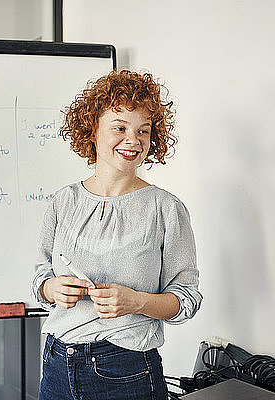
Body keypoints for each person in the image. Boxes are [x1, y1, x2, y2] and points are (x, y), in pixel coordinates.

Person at [31, 70, 202, 400]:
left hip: (126, 370)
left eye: (143, 130)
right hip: (56, 364)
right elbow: (40, 277)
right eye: (120, 128)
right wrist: (51, 288)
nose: (133, 140)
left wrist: (137, 301)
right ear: (93, 130)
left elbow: (187, 299)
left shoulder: (165, 208)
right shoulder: (62, 202)